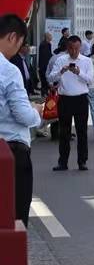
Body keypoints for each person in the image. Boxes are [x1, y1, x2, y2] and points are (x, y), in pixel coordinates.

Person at [0, 14, 43, 227]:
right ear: (12, 37)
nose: (19, 48)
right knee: (14, 221)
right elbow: (23, 115)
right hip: (11, 151)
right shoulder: (8, 70)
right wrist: (37, 111)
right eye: (20, 43)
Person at [49, 35, 94, 171]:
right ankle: (63, 162)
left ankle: (82, 161)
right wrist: (61, 71)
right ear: (67, 48)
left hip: (80, 98)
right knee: (64, 132)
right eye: (71, 48)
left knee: (82, 132)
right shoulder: (61, 60)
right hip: (65, 99)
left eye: (76, 48)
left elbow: (90, 80)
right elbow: (51, 78)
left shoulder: (87, 61)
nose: (73, 51)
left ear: (80, 48)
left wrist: (79, 72)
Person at [38, 32, 53, 96]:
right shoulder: (43, 44)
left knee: (46, 79)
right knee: (44, 79)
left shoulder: (48, 44)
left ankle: (45, 91)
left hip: (47, 64)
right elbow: (45, 56)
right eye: (50, 36)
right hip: (44, 65)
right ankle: (44, 92)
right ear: (47, 37)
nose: (51, 37)